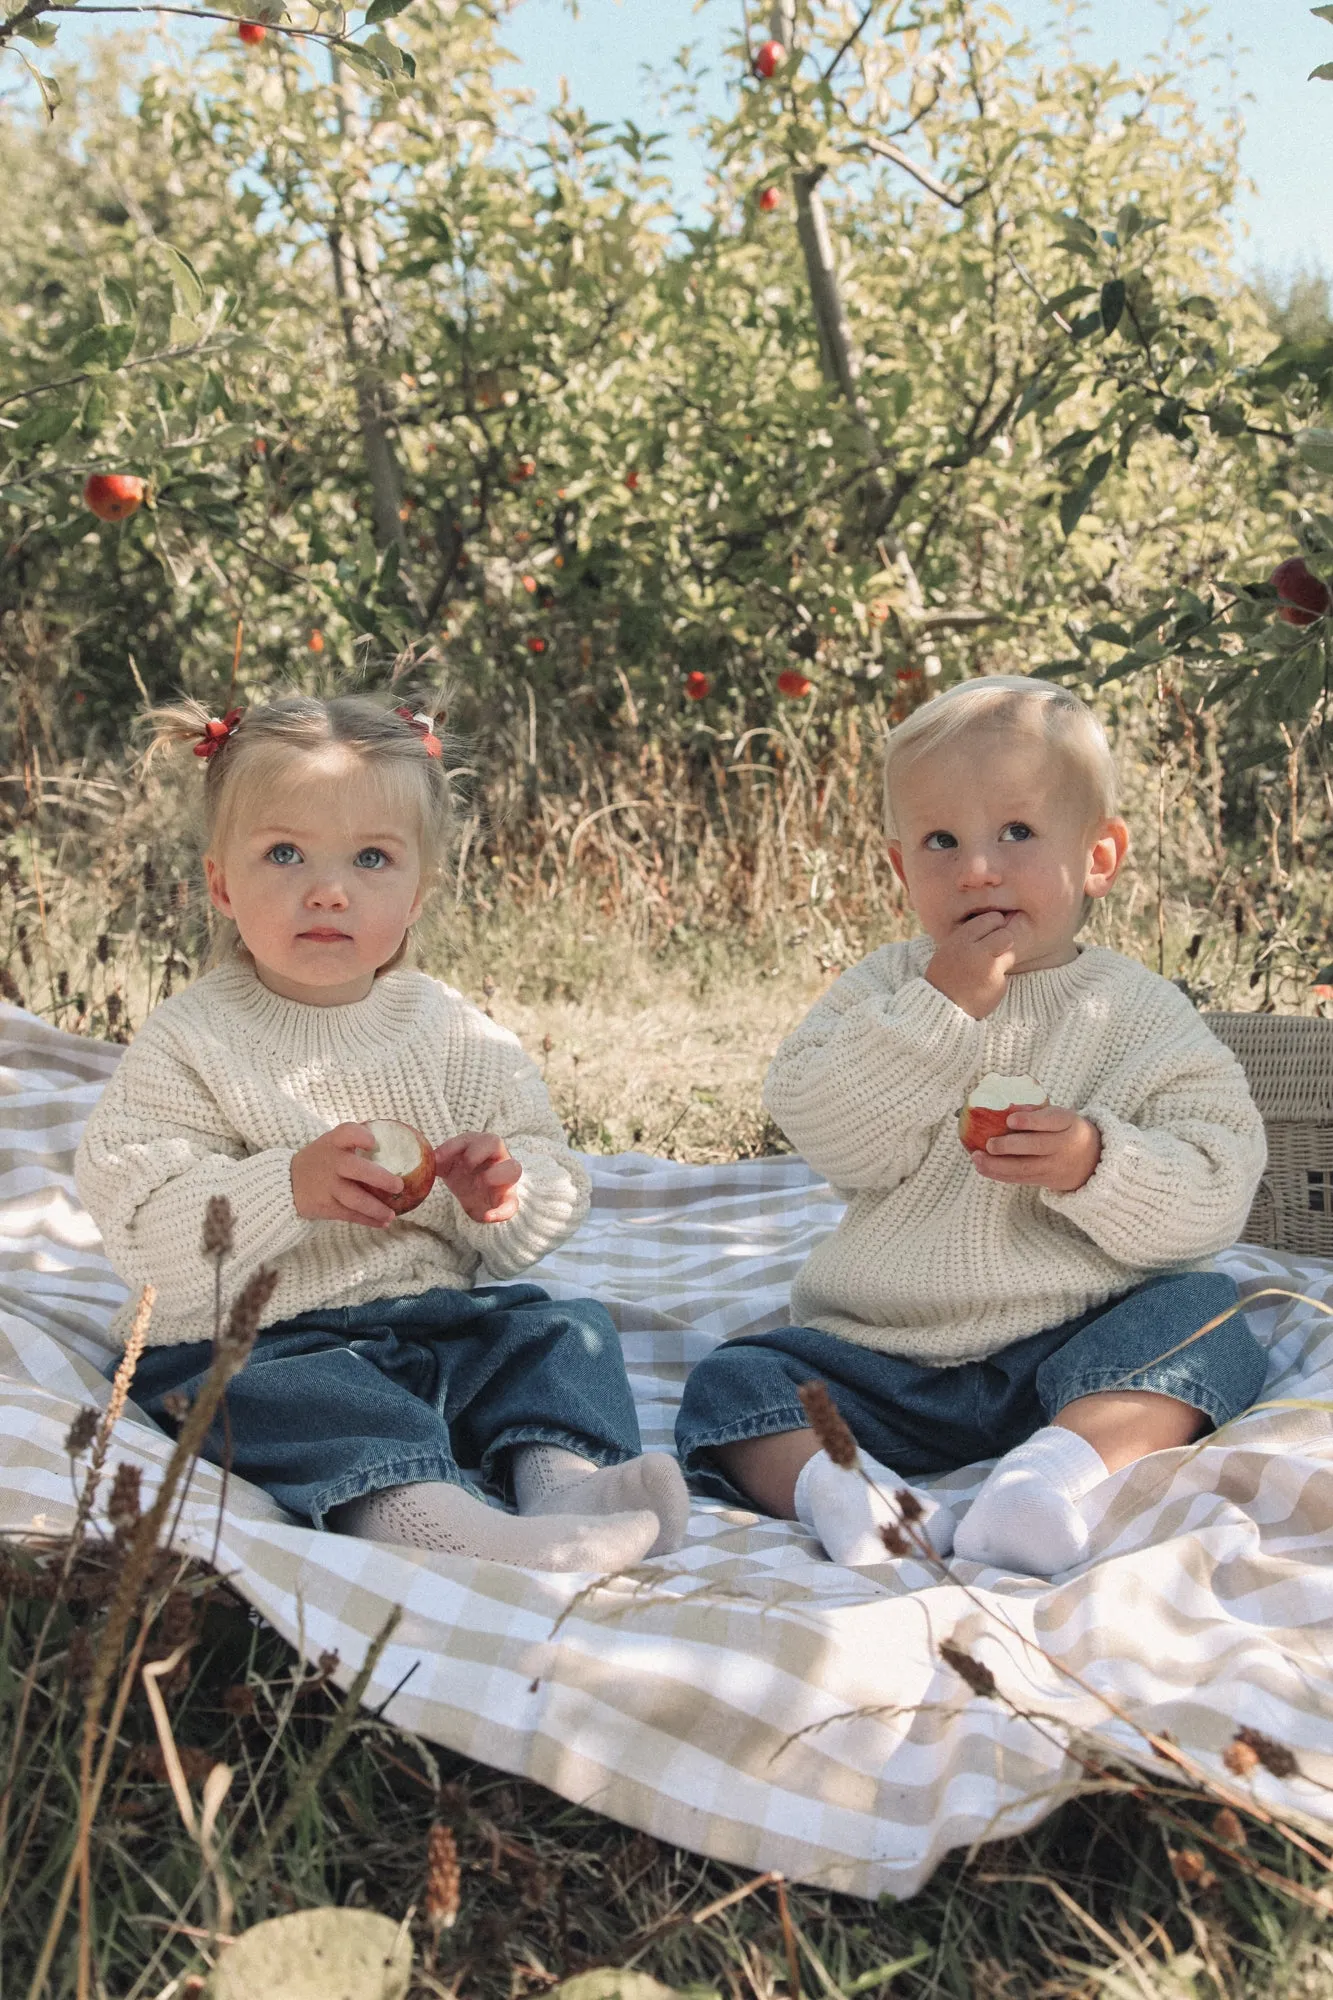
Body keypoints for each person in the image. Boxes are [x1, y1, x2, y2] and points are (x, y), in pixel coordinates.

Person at [76, 693, 688, 1572]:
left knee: (559, 1335)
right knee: (291, 1398)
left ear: (416, 895)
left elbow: (550, 1166)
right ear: (220, 883)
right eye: (283, 853)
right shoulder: (192, 1040)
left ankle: (564, 1483)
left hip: (435, 1322)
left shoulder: (450, 1032)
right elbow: (140, 1217)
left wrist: (506, 1193)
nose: (328, 889)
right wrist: (285, 1188)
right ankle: (435, 1522)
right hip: (263, 1338)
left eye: (371, 858)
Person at [675, 675, 1268, 1578]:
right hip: (883, 1352)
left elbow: (1220, 1179)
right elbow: (822, 1128)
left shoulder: (1138, 1013)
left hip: (1076, 1344)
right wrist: (934, 1013)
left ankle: (1045, 1478)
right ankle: (856, 1495)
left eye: (1017, 834)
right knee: (736, 1383)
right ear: (898, 866)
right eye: (940, 841)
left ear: (1098, 855)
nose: (976, 869)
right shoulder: (886, 990)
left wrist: (1092, 1162)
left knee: (1205, 1321)